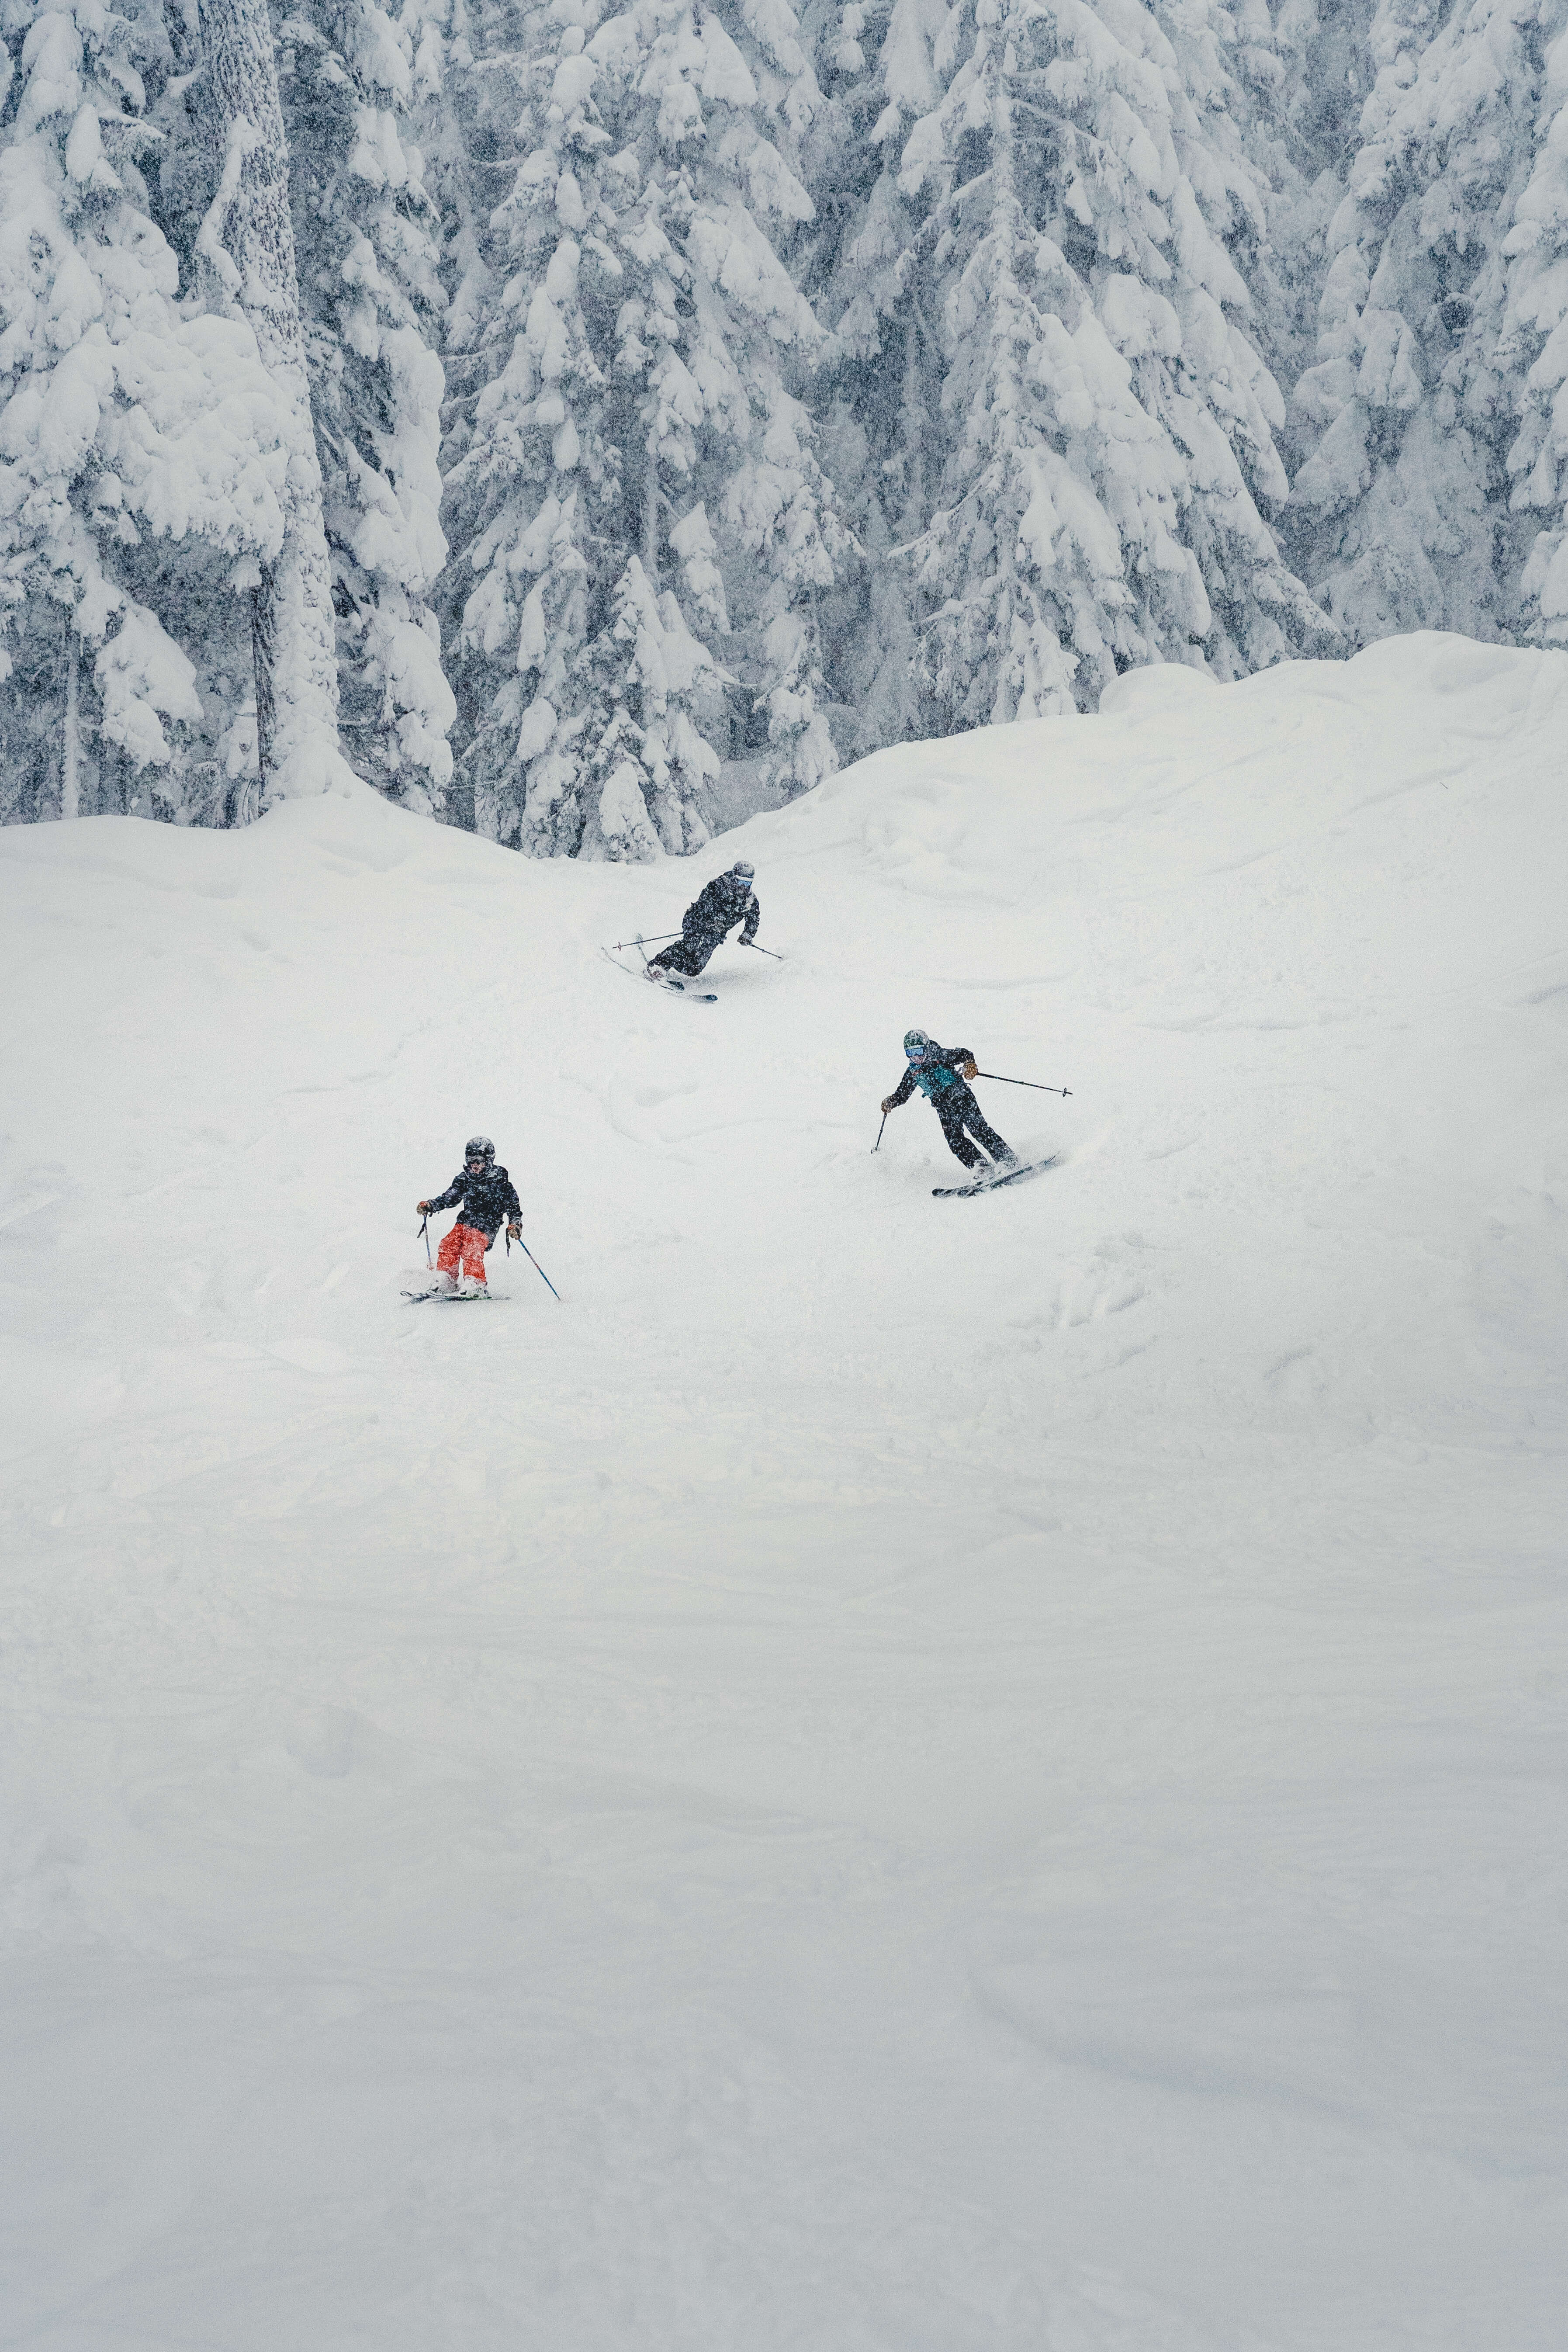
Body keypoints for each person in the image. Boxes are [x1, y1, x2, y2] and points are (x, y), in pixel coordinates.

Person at [881, 1031, 1018, 1174]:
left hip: (962, 1099)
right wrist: (891, 1101)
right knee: (955, 1142)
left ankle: (1007, 1159)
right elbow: (903, 1095)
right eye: (911, 1053)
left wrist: (970, 1066)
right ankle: (981, 1167)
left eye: (919, 1051)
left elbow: (965, 1054)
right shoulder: (913, 1073)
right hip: (945, 1109)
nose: (916, 1057)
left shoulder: (940, 1056)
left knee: (979, 1130)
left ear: (926, 1048)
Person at [417, 1136, 522, 1291]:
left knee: (472, 1246)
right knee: (449, 1242)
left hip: (487, 1224)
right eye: (471, 1161)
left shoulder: (500, 1182)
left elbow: (514, 1208)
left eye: (479, 1162)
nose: (474, 1166)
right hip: (466, 1221)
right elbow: (450, 1198)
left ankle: (476, 1281)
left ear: (489, 1161)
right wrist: (431, 1205)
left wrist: (515, 1225)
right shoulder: (465, 1179)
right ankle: (446, 1277)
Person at [648, 859, 760, 980]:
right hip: (696, 922)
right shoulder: (717, 886)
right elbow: (704, 905)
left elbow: (754, 918)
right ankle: (658, 966)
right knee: (689, 946)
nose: (744, 887)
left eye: (748, 884)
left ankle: (673, 965)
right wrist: (710, 923)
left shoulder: (749, 901)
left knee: (694, 969)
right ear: (734, 878)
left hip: (716, 934)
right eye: (741, 882)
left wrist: (748, 934)